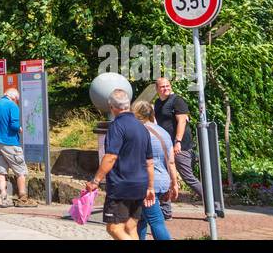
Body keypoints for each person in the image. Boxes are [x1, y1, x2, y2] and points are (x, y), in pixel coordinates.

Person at [83, 88, 154, 240]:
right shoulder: (142, 128)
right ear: (128, 105)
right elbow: (149, 162)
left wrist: (96, 181)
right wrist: (150, 187)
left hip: (122, 185)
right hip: (140, 184)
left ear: (112, 107)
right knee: (130, 226)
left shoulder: (116, 126)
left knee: (114, 228)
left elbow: (110, 157)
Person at [153, 77, 203, 218]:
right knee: (166, 177)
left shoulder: (177, 101)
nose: (166, 88)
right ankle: (166, 212)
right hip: (165, 145)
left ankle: (213, 205)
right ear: (157, 89)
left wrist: (178, 141)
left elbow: (182, 121)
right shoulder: (157, 103)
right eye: (162, 86)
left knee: (188, 177)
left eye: (167, 86)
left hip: (180, 146)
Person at [133, 101, 177, 240]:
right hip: (163, 181)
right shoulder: (162, 132)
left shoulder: (138, 132)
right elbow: (171, 161)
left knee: (156, 221)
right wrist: (174, 183)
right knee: (141, 220)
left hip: (147, 184)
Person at [0, 87, 28, 207]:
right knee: (20, 170)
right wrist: (19, 129)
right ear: (14, 97)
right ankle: (23, 197)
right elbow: (14, 124)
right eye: (17, 100)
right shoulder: (12, 106)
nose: (17, 102)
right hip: (10, 142)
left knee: (2, 171)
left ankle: (3, 198)